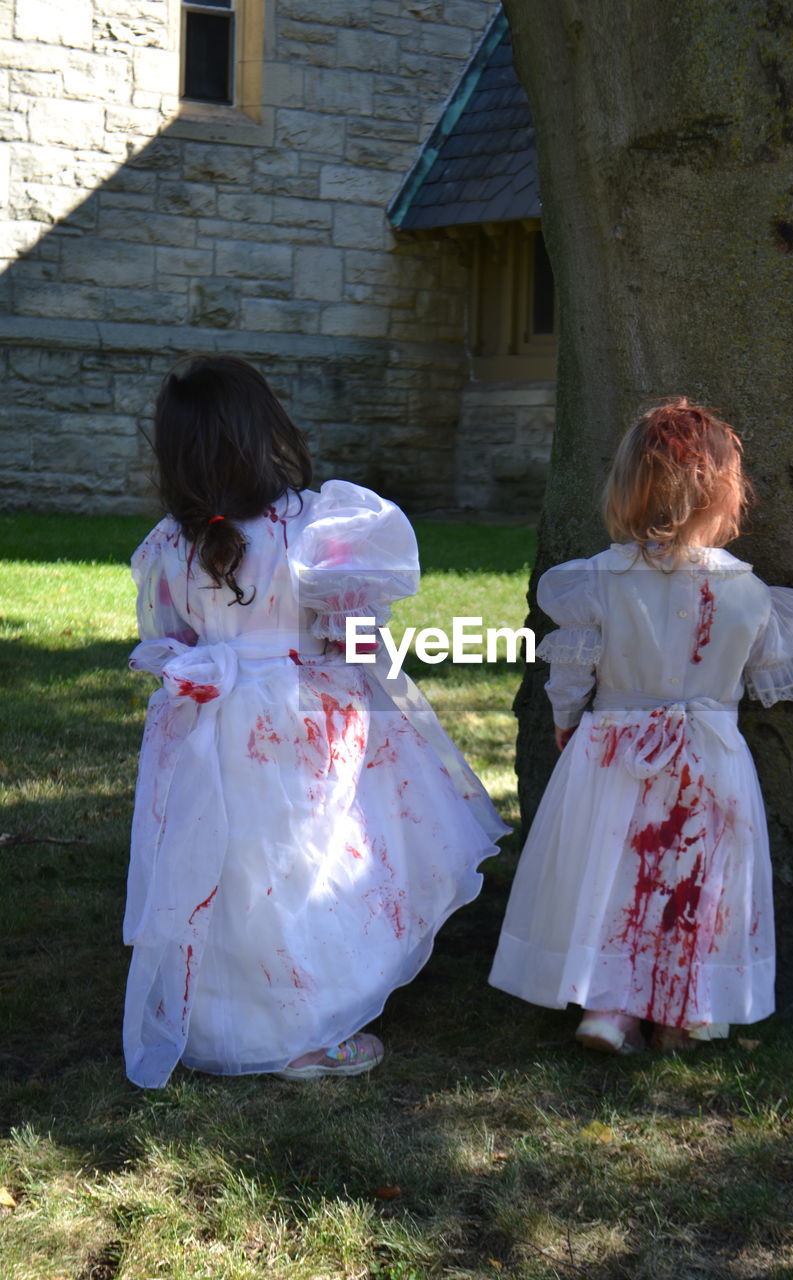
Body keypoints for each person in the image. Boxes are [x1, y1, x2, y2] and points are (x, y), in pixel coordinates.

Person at [124, 354, 508, 1088]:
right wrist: (376, 677)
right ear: (265, 431)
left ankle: (221, 1018)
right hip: (307, 719)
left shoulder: (168, 545)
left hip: (208, 723)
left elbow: (171, 637)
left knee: (227, 867)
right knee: (315, 858)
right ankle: (309, 1024)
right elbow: (352, 631)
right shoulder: (315, 526)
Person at [489, 398, 793, 1054]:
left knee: (610, 873)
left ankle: (606, 1009)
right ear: (724, 497)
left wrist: (564, 719)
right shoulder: (749, 592)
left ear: (626, 488)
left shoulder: (597, 582)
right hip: (707, 755)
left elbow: (573, 668)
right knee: (692, 877)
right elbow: (758, 673)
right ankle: (679, 1012)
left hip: (613, 749)